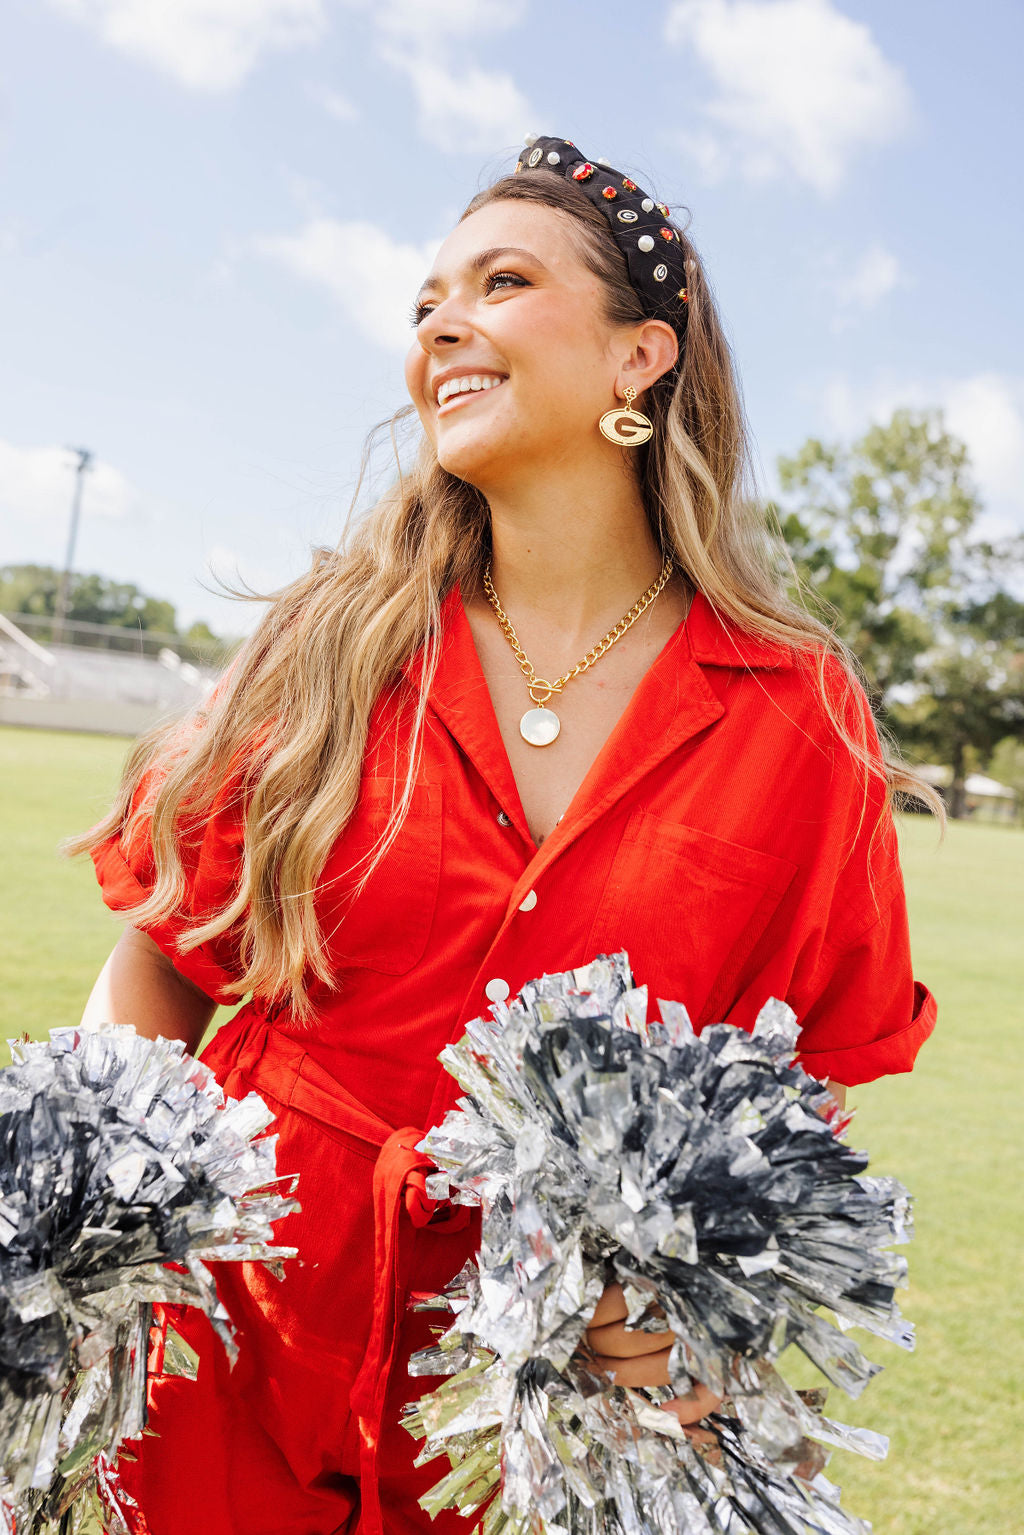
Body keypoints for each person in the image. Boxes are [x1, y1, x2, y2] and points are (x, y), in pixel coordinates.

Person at [72, 134, 938, 1535]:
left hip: (547, 1415)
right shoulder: (329, 642)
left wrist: (705, 1317)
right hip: (230, 1351)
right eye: (427, 304)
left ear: (638, 358)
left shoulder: (800, 712)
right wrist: (69, 1248)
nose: (441, 327)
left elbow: (798, 1099)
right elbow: (162, 962)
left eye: (502, 281)